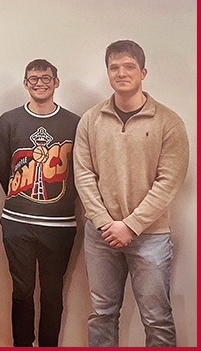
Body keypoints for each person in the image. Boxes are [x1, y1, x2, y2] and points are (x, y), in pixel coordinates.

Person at [74, 40, 189, 347]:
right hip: (100, 236)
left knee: (157, 318)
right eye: (114, 67)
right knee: (102, 313)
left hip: (151, 236)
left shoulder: (168, 122)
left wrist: (131, 225)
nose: (121, 73)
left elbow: (169, 182)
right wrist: (103, 222)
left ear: (143, 72)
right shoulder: (91, 120)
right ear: (108, 72)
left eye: (129, 67)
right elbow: (83, 175)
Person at [0, 59, 80, 347]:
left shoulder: (74, 122)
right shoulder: (8, 120)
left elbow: (79, 173)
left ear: (56, 82)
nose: (39, 83)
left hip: (60, 226)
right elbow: (3, 168)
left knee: (53, 292)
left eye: (45, 78)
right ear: (25, 83)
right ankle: (22, 344)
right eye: (33, 78)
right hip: (17, 224)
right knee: (22, 290)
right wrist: (22, 197)